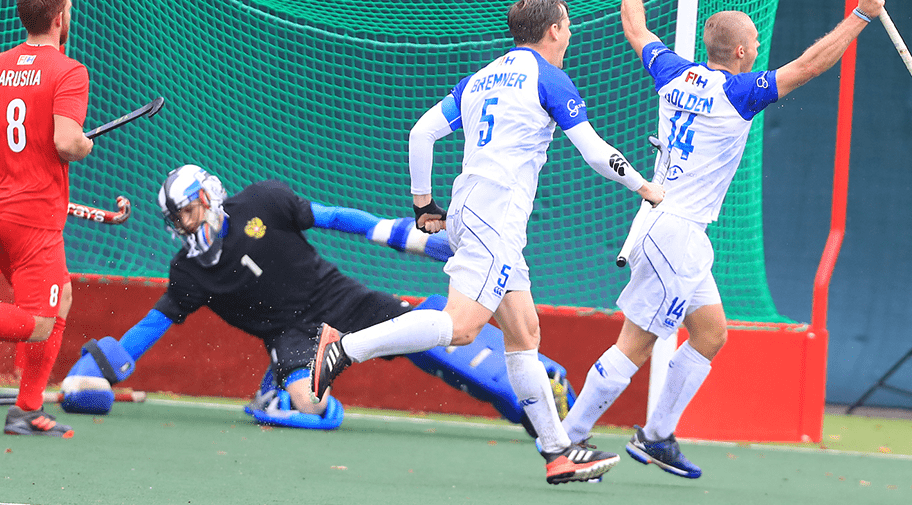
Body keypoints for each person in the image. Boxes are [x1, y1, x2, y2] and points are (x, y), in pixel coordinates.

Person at [558, 0, 886, 479]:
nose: (758, 47)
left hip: (673, 230)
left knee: (711, 333)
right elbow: (808, 66)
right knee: (636, 343)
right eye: (754, 41)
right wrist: (860, 16)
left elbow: (636, 28)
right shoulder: (740, 92)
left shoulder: (673, 73)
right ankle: (567, 440)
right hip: (675, 233)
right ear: (739, 52)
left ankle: (656, 436)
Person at [311, 0, 665, 484]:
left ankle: (558, 451)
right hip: (495, 217)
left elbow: (420, 133)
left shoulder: (480, 77)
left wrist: (423, 205)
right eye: (567, 25)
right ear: (553, 30)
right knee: (461, 328)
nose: (570, 33)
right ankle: (345, 346)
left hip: (471, 210)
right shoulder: (548, 76)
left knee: (524, 334)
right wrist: (645, 187)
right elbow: (593, 151)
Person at [62, 164, 574, 433]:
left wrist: (415, 240)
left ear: (207, 198)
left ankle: (535, 394)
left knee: (431, 336)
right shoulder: (189, 272)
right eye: (177, 220)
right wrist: (104, 367)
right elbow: (155, 323)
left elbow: (337, 218)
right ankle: (282, 389)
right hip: (290, 335)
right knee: (311, 406)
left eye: (187, 213)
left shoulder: (262, 201)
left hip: (341, 298)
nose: (184, 226)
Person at [0, 0, 93, 438]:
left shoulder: (1, 65)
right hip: (33, 219)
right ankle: (25, 410)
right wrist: (84, 144)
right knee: (39, 324)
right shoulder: (68, 71)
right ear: (59, 18)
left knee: (63, 296)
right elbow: (67, 142)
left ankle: (27, 409)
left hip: (4, 210)